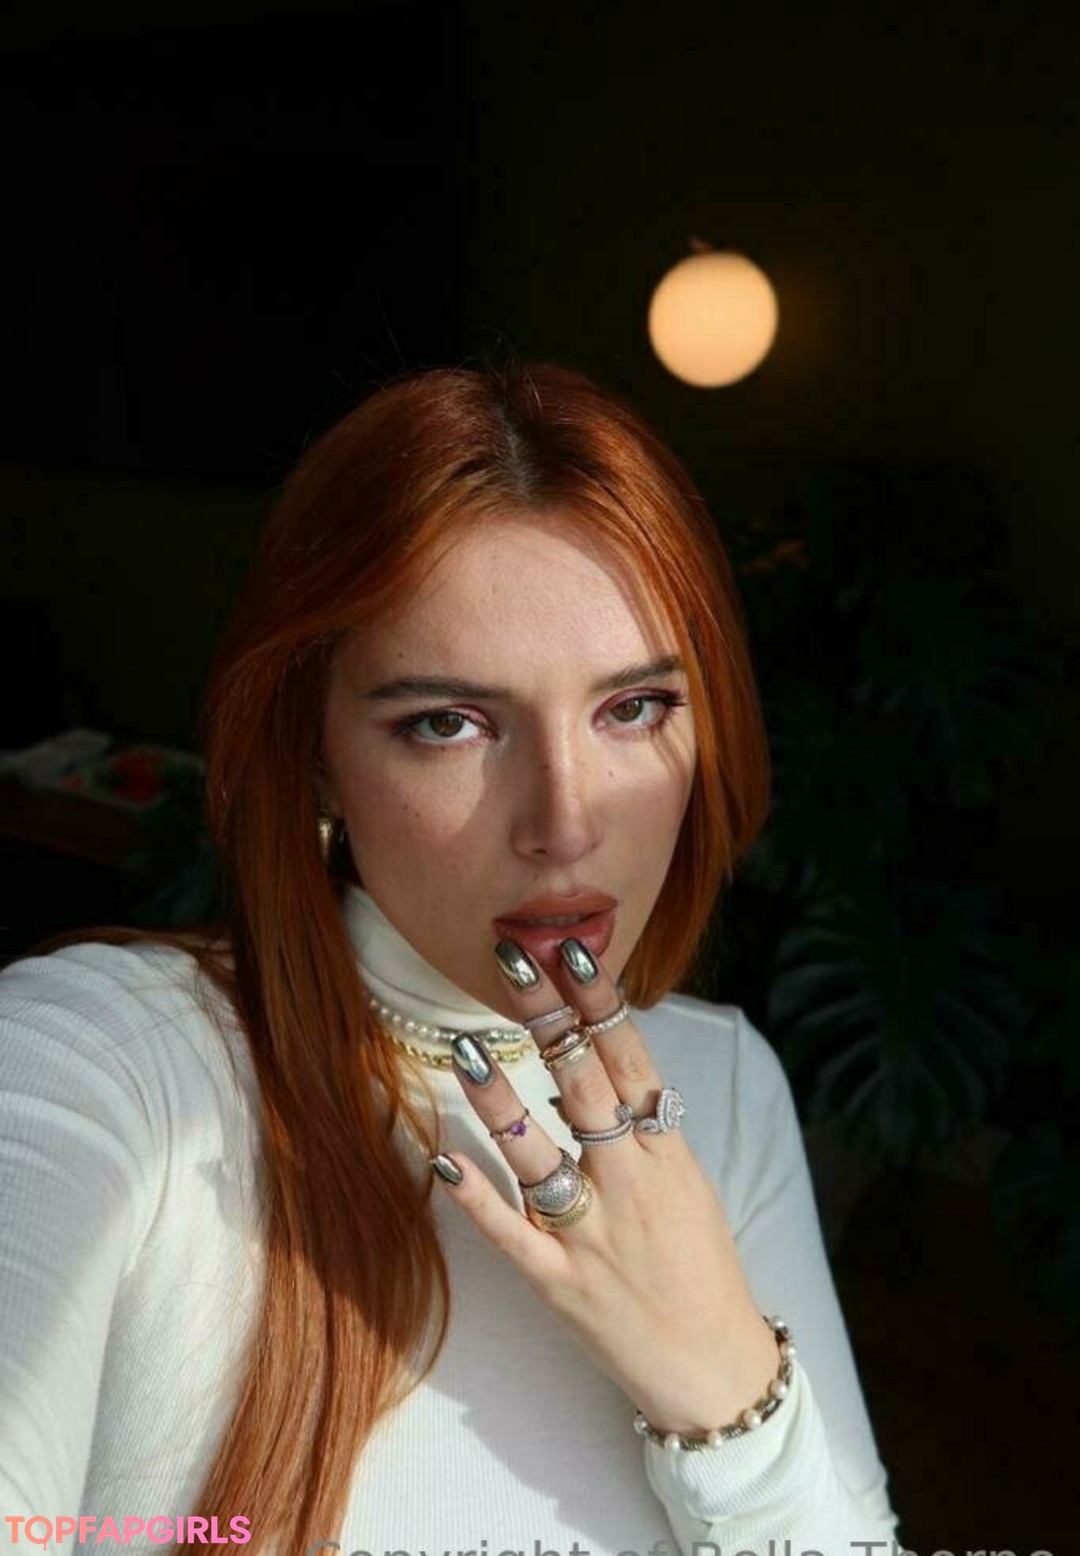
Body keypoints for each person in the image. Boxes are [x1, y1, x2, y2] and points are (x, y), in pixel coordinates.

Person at [0, 364, 901, 1556]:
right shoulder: (106, 1054)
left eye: (633, 706)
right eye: (449, 722)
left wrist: (727, 1389)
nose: (566, 822)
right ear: (314, 755)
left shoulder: (722, 1086)